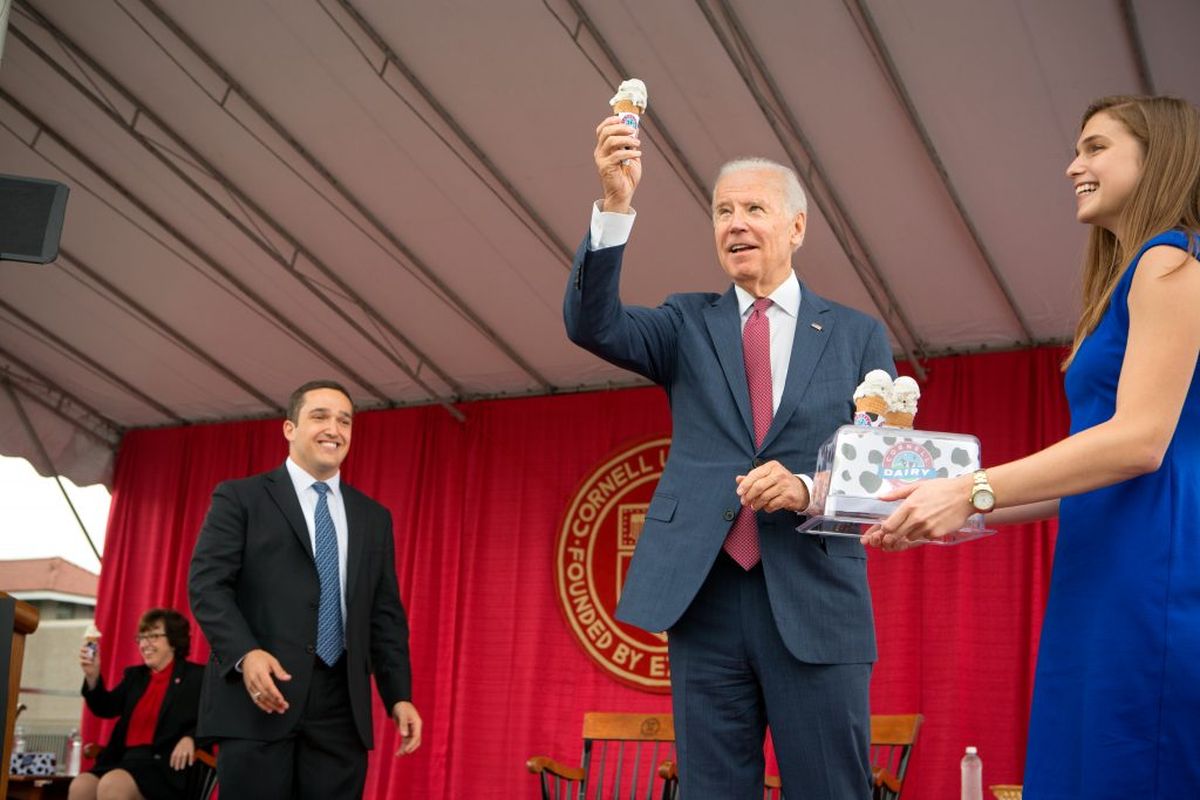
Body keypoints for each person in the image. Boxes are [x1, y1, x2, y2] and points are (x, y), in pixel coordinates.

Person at [865, 96, 1200, 796]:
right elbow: (1084, 470)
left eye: (1095, 147)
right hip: (1099, 572)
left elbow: (1139, 442)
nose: (1073, 165)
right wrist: (948, 510)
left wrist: (970, 488)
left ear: (1158, 155)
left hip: (1153, 575)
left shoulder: (1173, 263)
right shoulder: (1133, 278)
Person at [565, 116, 895, 799]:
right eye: (722, 211)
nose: (735, 223)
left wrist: (806, 487)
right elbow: (591, 325)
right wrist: (616, 204)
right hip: (706, 596)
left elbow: (881, 469)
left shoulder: (857, 336)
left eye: (754, 208)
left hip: (815, 597)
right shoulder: (686, 323)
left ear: (797, 227)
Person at [188, 380, 422, 800]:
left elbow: (384, 614)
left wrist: (398, 695)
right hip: (260, 698)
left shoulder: (373, 517)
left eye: (344, 420)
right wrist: (246, 653)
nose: (334, 428)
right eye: (320, 416)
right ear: (289, 428)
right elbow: (207, 584)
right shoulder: (241, 497)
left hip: (341, 708)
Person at [69, 608, 204, 800]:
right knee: (81, 785)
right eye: (141, 637)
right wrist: (93, 676)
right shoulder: (135, 677)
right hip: (123, 760)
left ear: (173, 641)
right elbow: (105, 708)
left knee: (113, 783)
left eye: (153, 636)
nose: (144, 644)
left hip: (163, 768)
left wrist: (191, 738)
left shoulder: (196, 677)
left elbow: (215, 718)